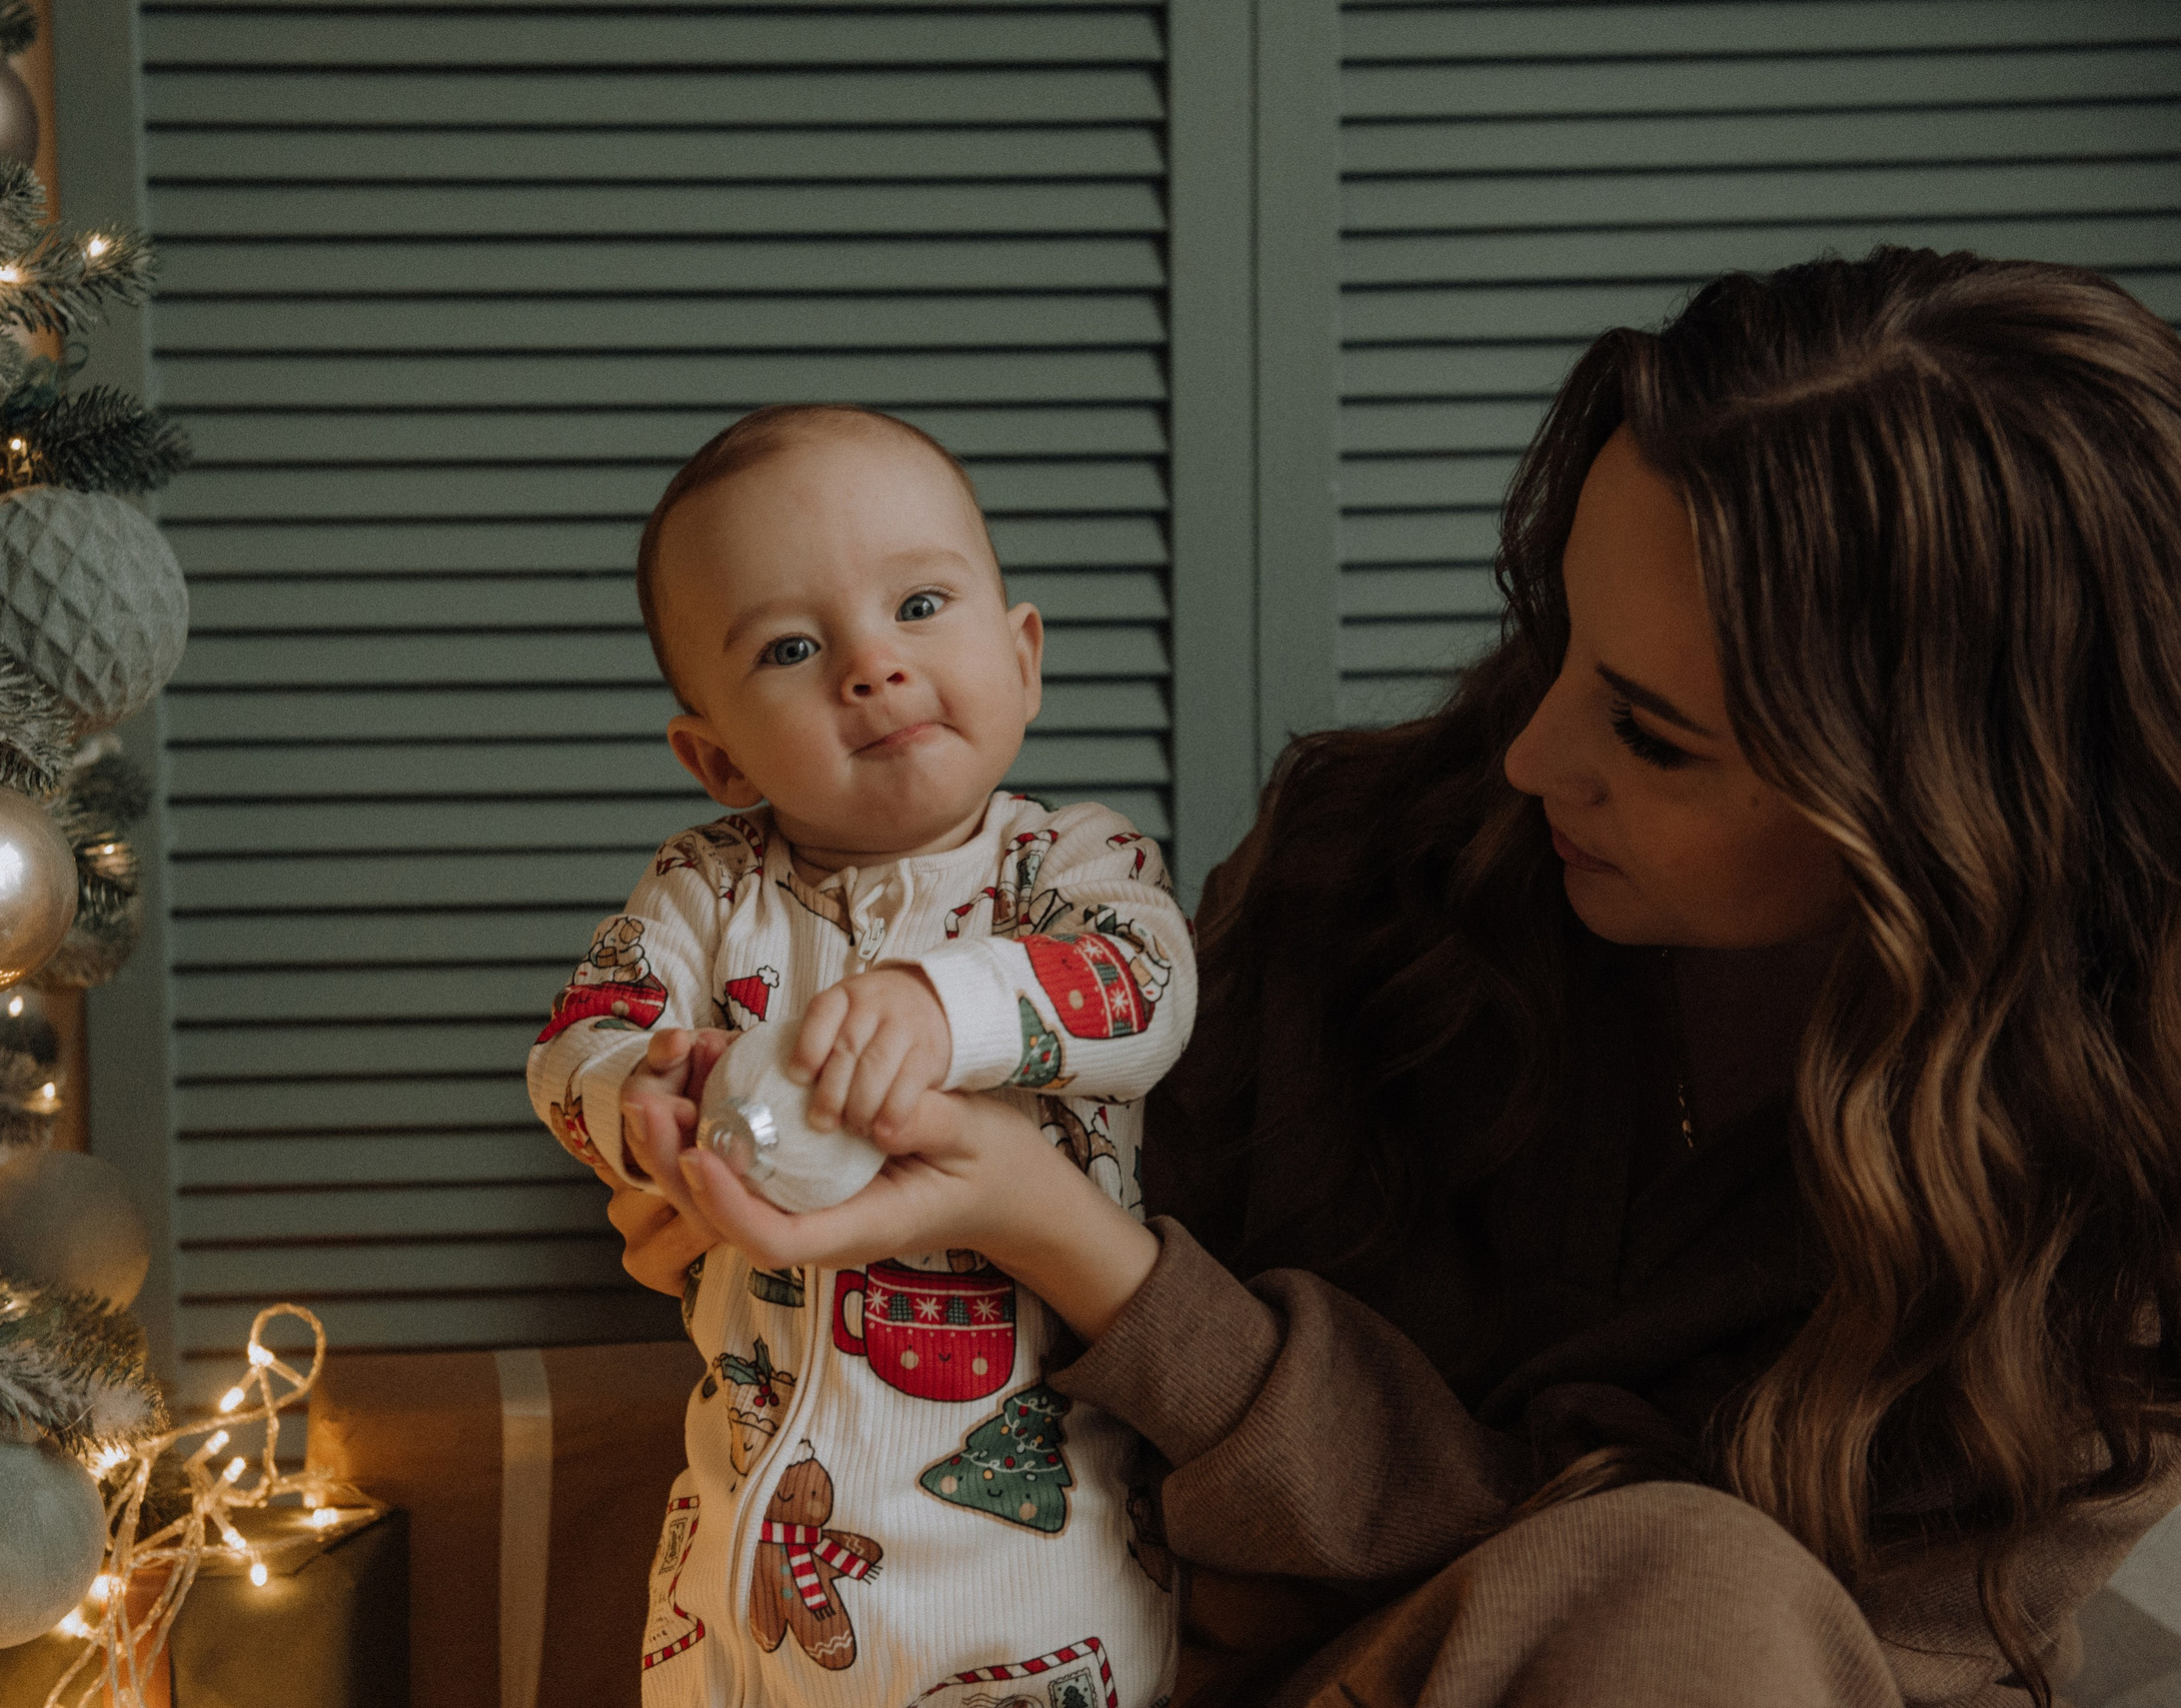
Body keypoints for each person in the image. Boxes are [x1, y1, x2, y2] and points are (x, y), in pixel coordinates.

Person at [613, 249, 2181, 1707]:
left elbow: (1774, 1638)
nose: (1529, 750)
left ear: (1936, 814)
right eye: (1558, 630)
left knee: (1703, 1593)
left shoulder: (2109, 1205)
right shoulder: (1369, 866)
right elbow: (1096, 1425)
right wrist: (790, 1197)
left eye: (1649, 731)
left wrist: (1095, 1258)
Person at [529, 404, 1190, 1706]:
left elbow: (1144, 992)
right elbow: (573, 1040)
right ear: (714, 753)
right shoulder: (704, 892)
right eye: (791, 645)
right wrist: (636, 1093)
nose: (872, 666)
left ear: (1025, 655)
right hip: (749, 1561)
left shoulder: (1066, 867)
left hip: (1029, 1566)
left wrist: (948, 1006)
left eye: (922, 604)